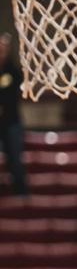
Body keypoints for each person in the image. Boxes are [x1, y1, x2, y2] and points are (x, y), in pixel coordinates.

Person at [0, 33, 28, 197]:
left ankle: (22, 194)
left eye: (4, 48)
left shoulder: (14, 72)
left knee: (15, 161)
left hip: (11, 122)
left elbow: (12, 95)